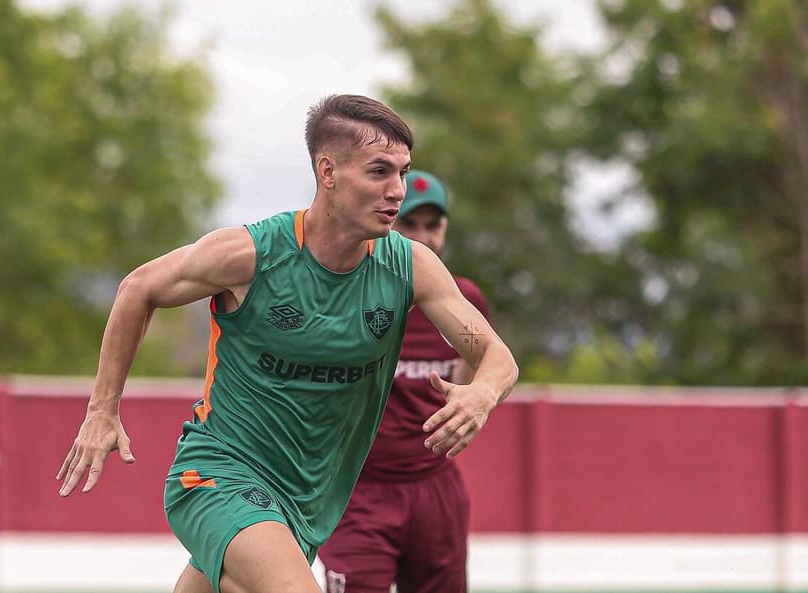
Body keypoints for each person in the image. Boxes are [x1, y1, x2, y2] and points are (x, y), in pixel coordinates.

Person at [55, 94, 518, 593]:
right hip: (218, 475)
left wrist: (481, 394)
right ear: (328, 172)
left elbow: (497, 356)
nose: (397, 191)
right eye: (380, 171)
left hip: (306, 501)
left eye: (403, 173)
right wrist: (102, 411)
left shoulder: (410, 266)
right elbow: (137, 288)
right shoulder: (252, 255)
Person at [319, 170, 489, 593]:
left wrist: (473, 401)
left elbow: (478, 371)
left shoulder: (462, 302)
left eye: (434, 226)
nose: (423, 237)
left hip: (435, 490)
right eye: (410, 224)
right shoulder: (344, 296)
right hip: (357, 491)